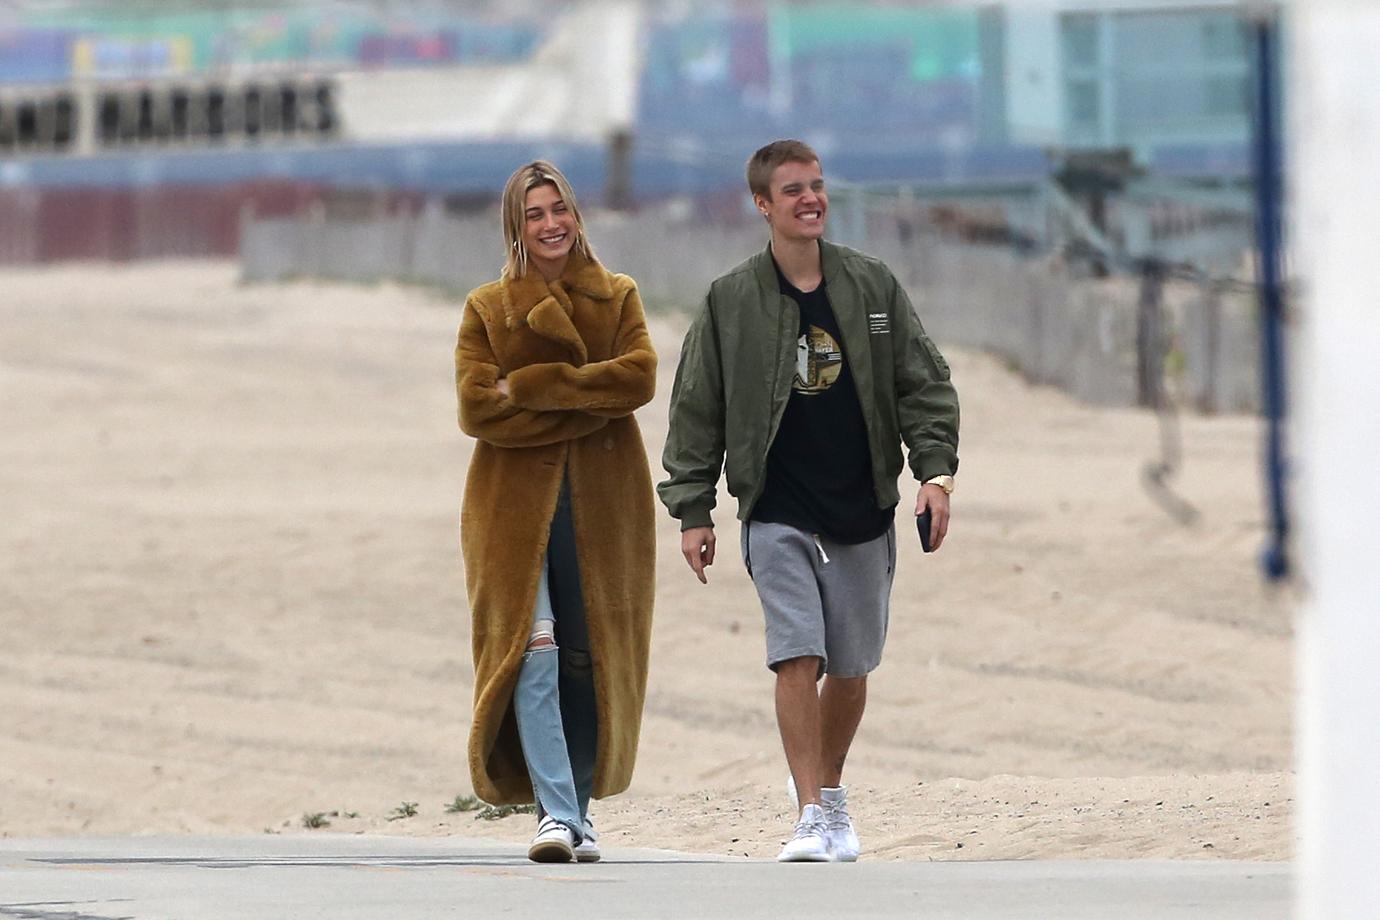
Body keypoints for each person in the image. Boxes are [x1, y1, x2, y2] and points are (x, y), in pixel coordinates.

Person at [658, 139, 959, 862]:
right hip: (777, 507)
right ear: (763, 205)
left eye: (817, 186)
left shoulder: (872, 287)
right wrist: (693, 510)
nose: (810, 199)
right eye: (792, 190)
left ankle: (831, 793)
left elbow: (923, 383)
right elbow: (696, 407)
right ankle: (808, 815)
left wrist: (935, 474)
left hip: (860, 503)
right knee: (797, 654)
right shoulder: (730, 301)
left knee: (851, 668)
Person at [455, 160, 657, 863]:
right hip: (511, 513)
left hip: (604, 506)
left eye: (558, 210)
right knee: (532, 652)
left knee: (585, 660)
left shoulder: (617, 296)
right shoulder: (489, 308)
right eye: (534, 214)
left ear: (576, 214)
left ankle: (578, 812)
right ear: (516, 225)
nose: (550, 225)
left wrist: (532, 386)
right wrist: (581, 400)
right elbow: (478, 408)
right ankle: (556, 816)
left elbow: (637, 378)